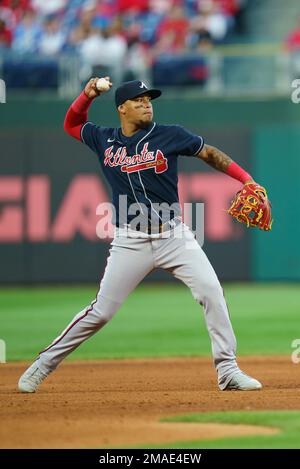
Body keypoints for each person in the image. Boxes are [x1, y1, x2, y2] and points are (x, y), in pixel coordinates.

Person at [18, 77, 263, 393]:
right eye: (139, 99)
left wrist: (246, 180)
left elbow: (210, 153)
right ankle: (42, 366)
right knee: (101, 312)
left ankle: (228, 370)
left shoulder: (170, 134)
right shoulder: (103, 139)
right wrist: (87, 94)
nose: (147, 103)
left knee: (211, 292)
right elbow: (71, 124)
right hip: (129, 240)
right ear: (122, 108)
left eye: (149, 99)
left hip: (174, 236)